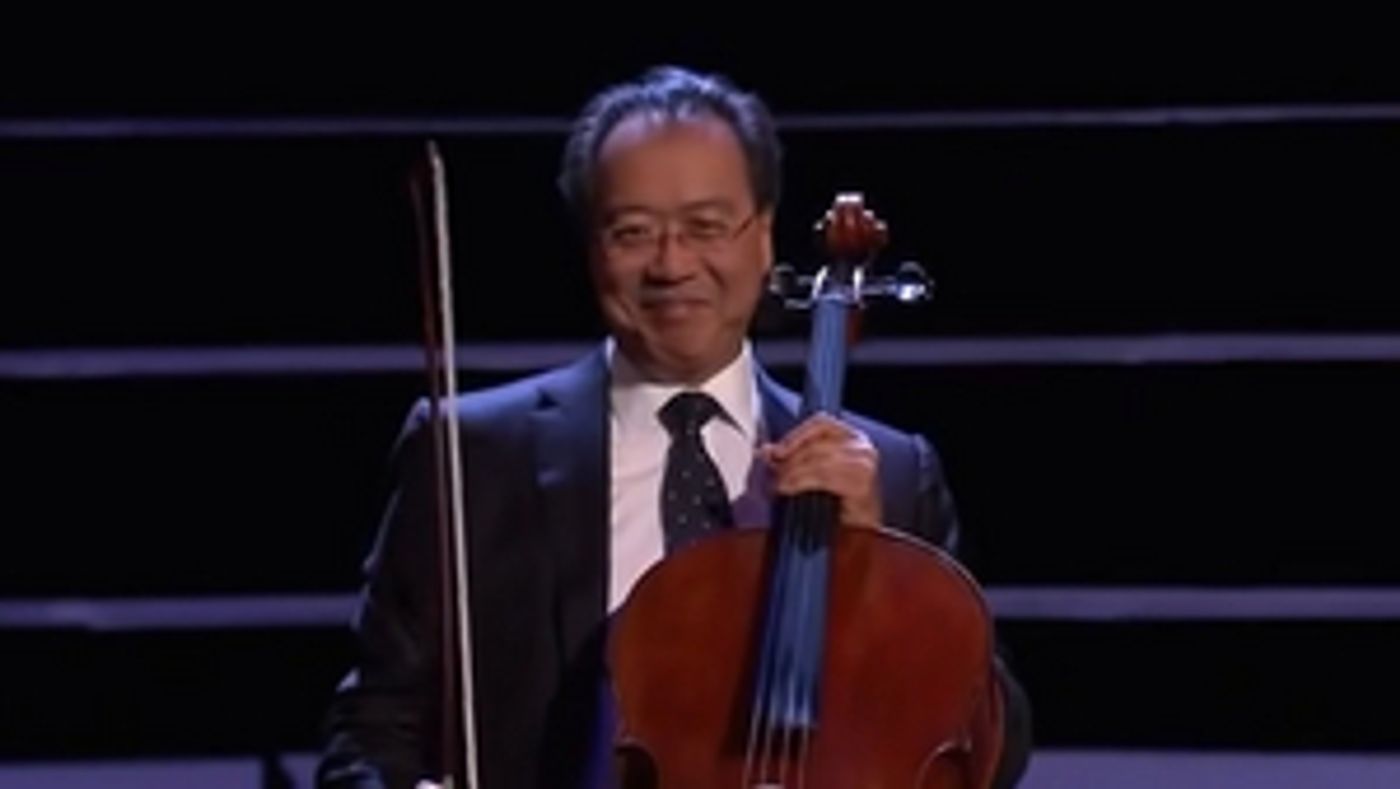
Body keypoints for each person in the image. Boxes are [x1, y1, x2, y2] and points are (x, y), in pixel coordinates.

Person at [316, 64, 1031, 788]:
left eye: (706, 227)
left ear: (763, 235)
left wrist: (881, 571)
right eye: (632, 232)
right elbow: (369, 741)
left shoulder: (894, 473)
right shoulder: (470, 458)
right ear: (592, 246)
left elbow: (990, 755)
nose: (671, 264)